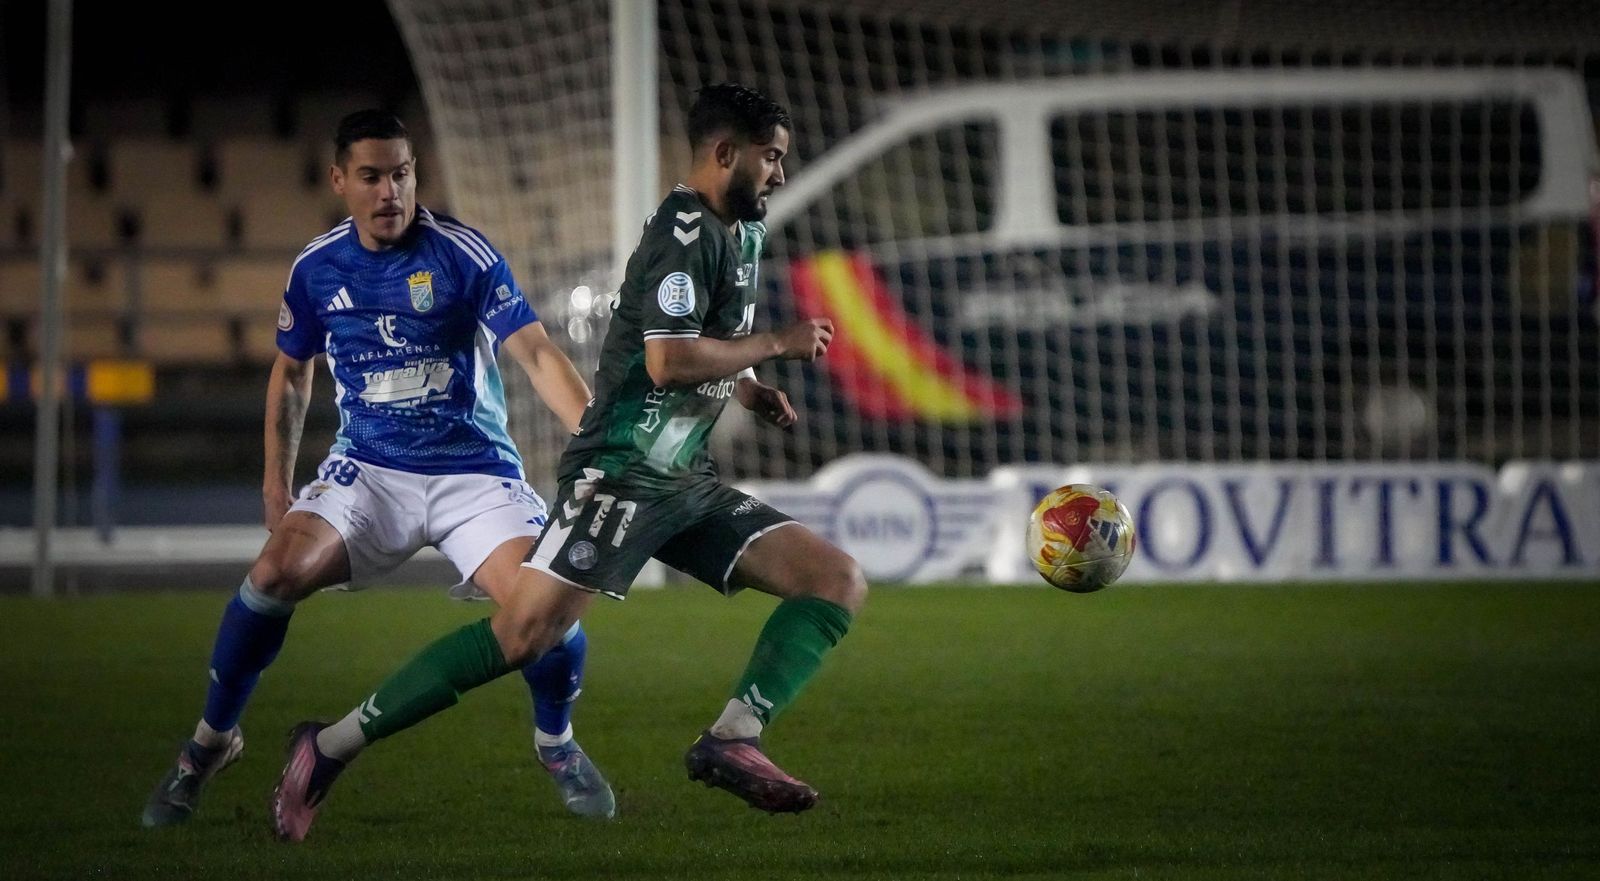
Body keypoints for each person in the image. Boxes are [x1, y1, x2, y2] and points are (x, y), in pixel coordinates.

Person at [267, 83, 868, 842]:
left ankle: (734, 736)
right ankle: (325, 747)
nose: (779, 174)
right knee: (522, 636)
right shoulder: (685, 232)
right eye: (771, 158)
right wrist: (776, 342)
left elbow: (714, 338)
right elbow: (668, 358)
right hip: (618, 471)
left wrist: (748, 385)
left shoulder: (741, 229)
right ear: (725, 155)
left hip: (681, 477)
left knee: (835, 580)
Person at [141, 109, 615, 828]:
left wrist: (598, 438)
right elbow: (292, 372)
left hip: (473, 472)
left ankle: (557, 742)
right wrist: (277, 484)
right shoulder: (317, 267)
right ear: (340, 181)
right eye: (372, 176)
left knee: (543, 606)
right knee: (272, 573)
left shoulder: (463, 252)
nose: (391, 190)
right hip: (370, 469)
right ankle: (210, 742)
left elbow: (538, 353)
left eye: (401, 173)